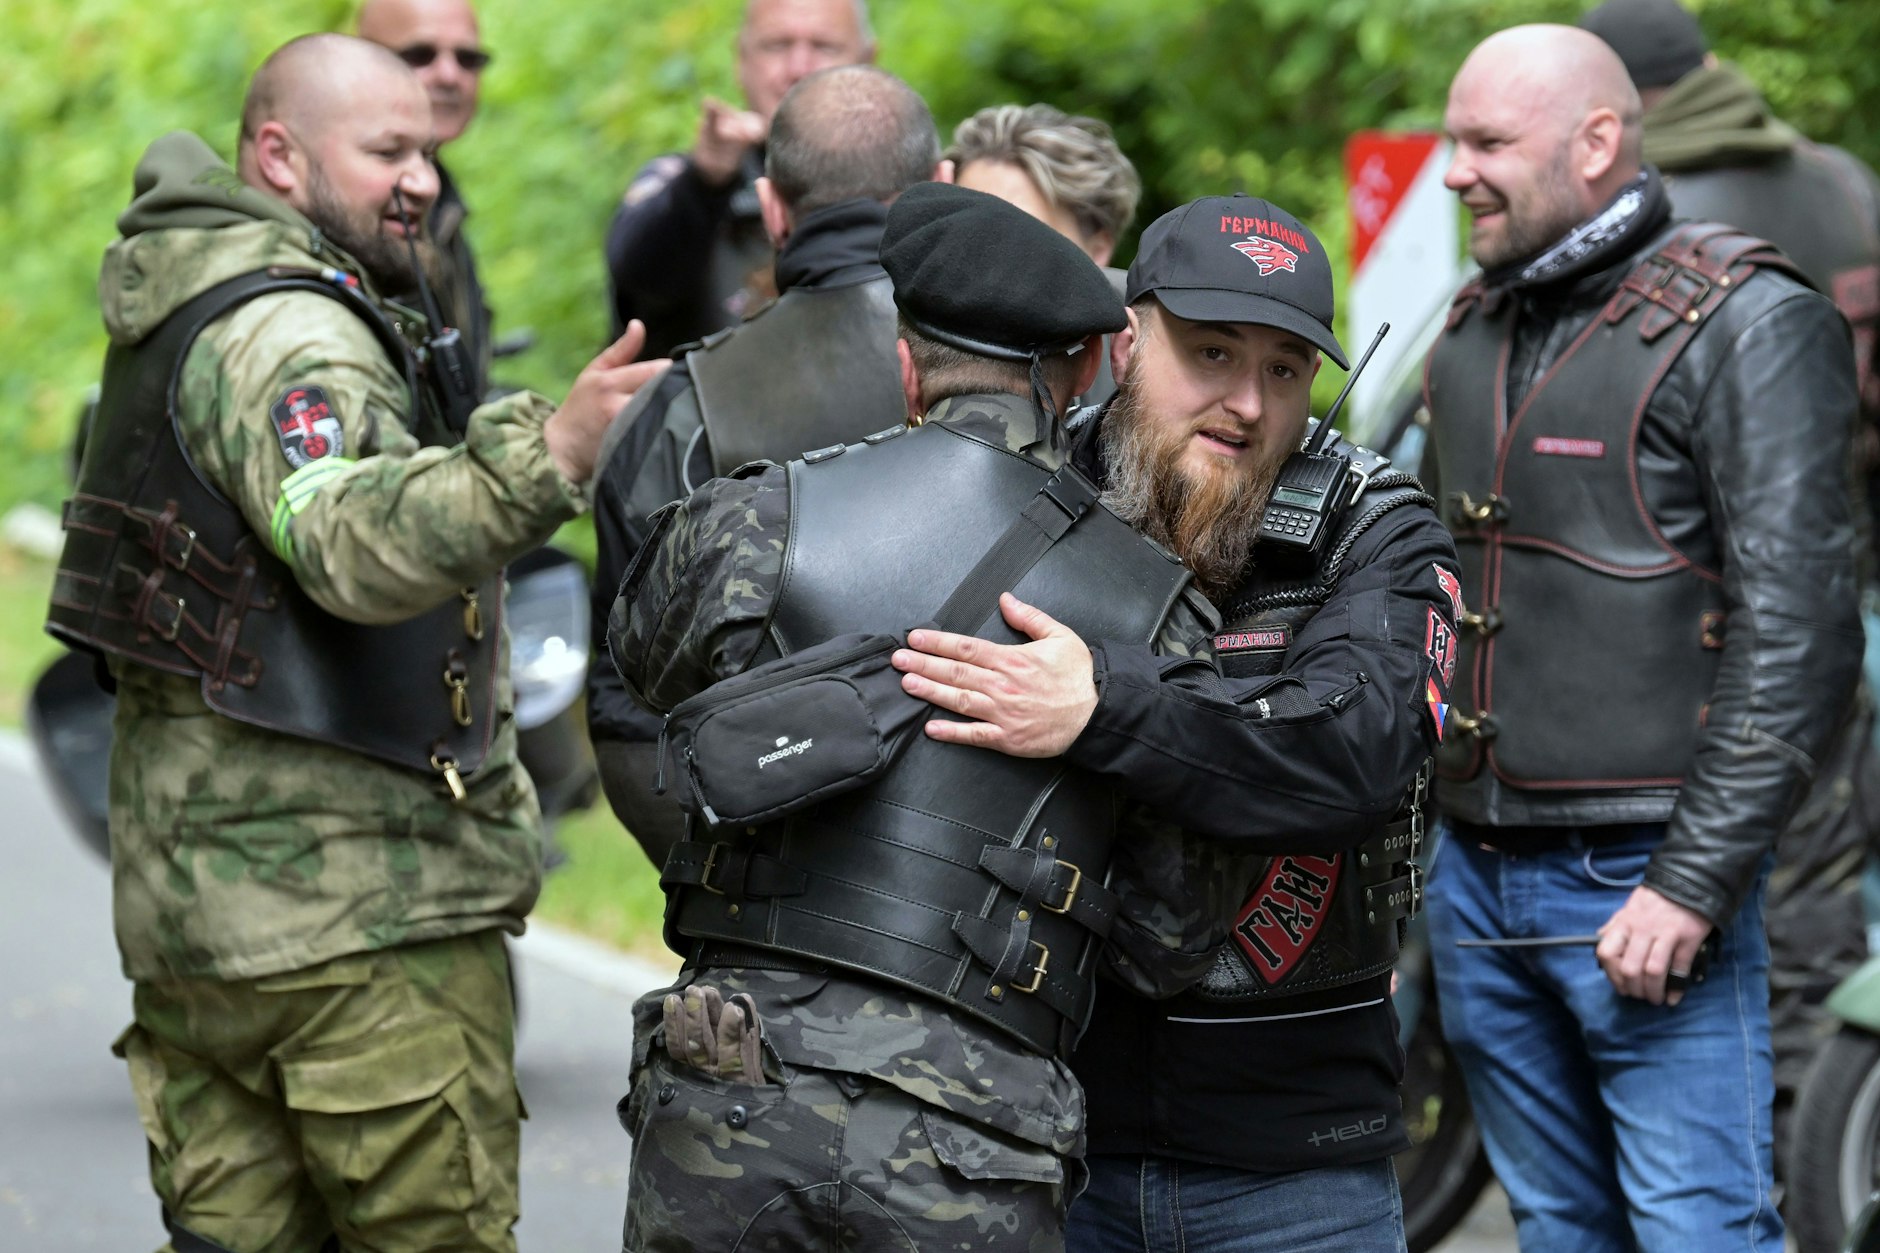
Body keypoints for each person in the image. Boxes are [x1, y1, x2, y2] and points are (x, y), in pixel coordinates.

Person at [46, 35, 663, 1253]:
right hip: (357, 928)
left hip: (201, 928)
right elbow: (343, 534)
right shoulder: (291, 340)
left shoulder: (183, 292)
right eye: (385, 149)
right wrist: (554, 455)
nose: (421, 176)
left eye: (427, 150)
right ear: (278, 155)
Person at [607, 182, 1232, 1251]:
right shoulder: (1161, 611)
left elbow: (644, 676)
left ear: (905, 364)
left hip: (731, 1085)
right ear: (1084, 370)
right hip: (974, 1128)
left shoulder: (753, 519)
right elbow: (1171, 936)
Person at [890, 195, 1458, 1250]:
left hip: (1294, 1165)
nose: (1245, 403)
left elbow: (1358, 750)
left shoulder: (1376, 529)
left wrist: (1101, 708)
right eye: (1209, 352)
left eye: (1283, 369)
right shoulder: (1018, 493)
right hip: (1020, 1137)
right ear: (1123, 343)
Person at [1420, 25, 1862, 1249]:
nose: (1450, 169)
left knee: (1698, 1231)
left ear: (1597, 141)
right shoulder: (1469, 324)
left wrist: (1690, 880)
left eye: (1484, 141)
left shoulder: (1747, 320)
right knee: (1558, 1227)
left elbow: (1800, 629)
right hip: (1471, 876)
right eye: (1451, 137)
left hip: (1642, 881)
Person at [1581, 0, 1880, 1163]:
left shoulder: (1641, 215)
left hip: (1680, 621)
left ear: (1615, 106)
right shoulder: (1843, 182)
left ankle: (1738, 1155)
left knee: (1682, 885)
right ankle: (1819, 1152)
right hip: (1840, 582)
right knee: (1815, 882)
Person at [586, 64, 943, 868]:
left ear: (774, 208)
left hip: (765, 893)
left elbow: (626, 709)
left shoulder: (682, 407)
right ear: (945, 184)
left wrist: (730, 887)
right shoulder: (1073, 358)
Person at [602, 0, 876, 356]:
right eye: (776, 46)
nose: (798, 68)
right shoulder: (686, 184)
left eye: (824, 47)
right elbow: (635, 275)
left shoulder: (903, 183)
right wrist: (703, 185)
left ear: (868, 59)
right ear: (741, 59)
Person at [948, 102, 1141, 408]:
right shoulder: (902, 331)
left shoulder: (1146, 350)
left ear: (1098, 249)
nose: (984, 256)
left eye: (1024, 235)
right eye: (964, 227)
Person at [358, 0, 495, 389]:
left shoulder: (441, 200)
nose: (449, 75)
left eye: (468, 58)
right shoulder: (346, 210)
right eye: (420, 54)